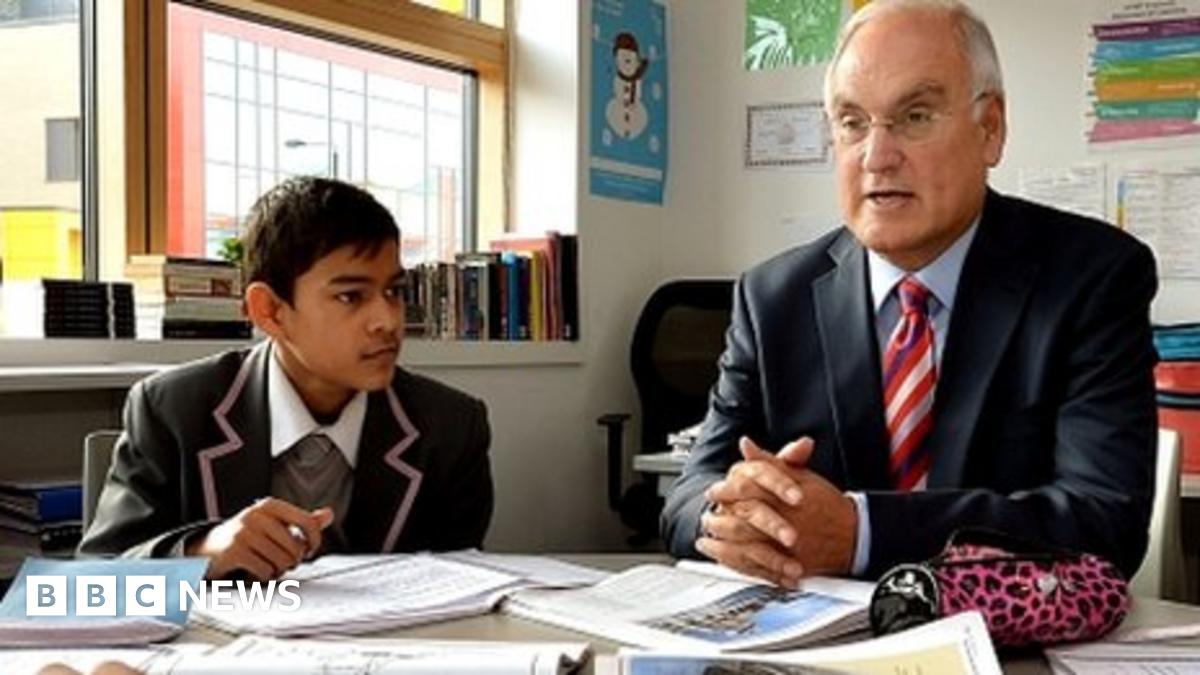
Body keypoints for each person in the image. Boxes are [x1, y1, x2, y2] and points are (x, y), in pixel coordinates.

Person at [662, 0, 1157, 586]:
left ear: (990, 129)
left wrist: (861, 532)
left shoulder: (1091, 276)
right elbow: (688, 497)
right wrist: (737, 515)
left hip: (997, 629)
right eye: (852, 122)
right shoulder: (772, 297)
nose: (876, 157)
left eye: (915, 116)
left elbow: (1104, 519)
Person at [79, 177, 493, 580]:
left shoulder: (450, 427)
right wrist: (201, 553)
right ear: (270, 311)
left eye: (393, 291)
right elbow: (83, 590)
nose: (387, 321)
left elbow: (463, 586)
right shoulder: (173, 410)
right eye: (350, 296)